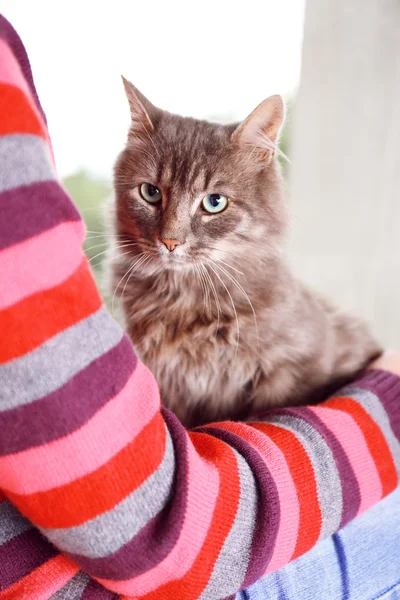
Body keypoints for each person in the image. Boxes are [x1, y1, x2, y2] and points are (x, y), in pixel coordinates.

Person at [1, 13, 400, 600]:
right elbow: (147, 527)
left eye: (213, 202)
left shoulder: (267, 298)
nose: (170, 234)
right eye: (152, 196)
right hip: (151, 556)